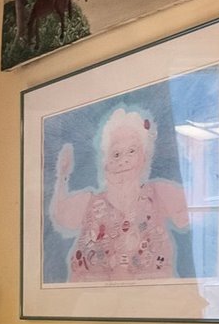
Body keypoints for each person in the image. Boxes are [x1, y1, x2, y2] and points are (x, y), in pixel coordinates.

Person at [50, 108, 190, 281]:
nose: (124, 160)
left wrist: (194, 159)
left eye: (132, 151)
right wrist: (62, 176)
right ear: (106, 162)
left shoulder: (160, 193)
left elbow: (192, 213)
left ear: (144, 156)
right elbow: (60, 216)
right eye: (116, 154)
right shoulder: (89, 204)